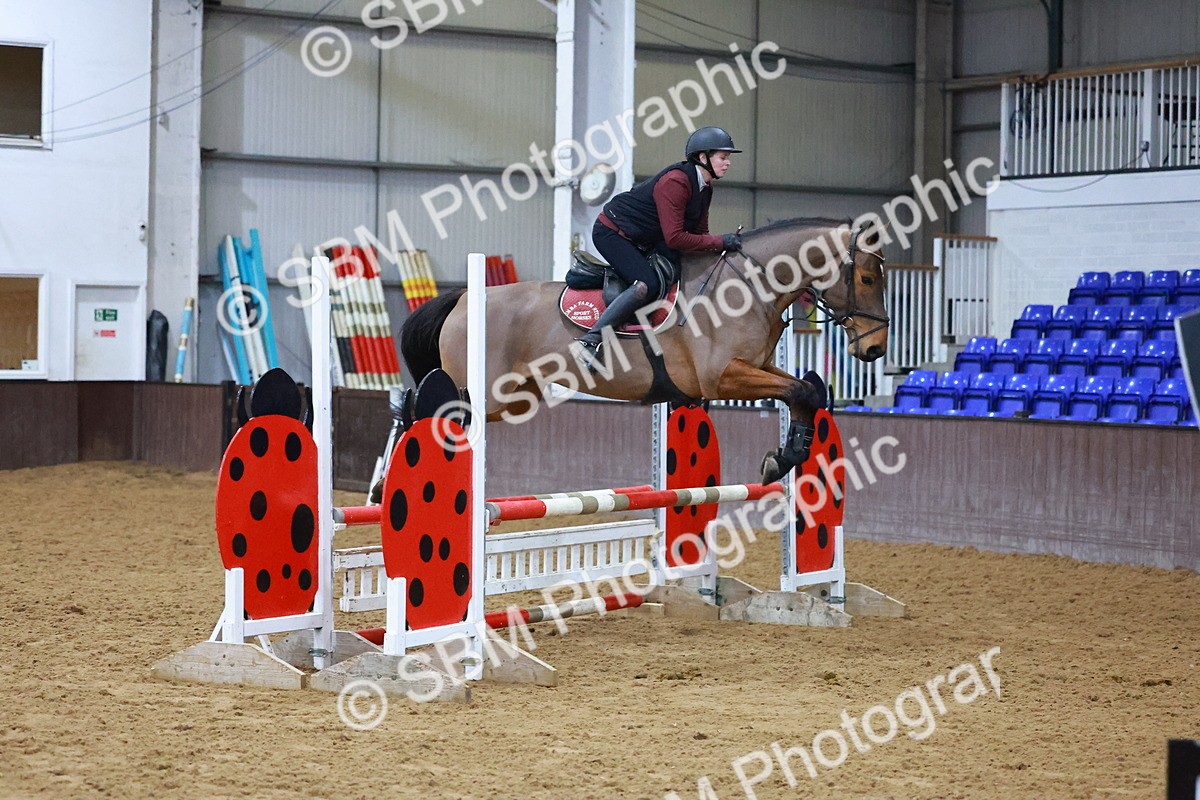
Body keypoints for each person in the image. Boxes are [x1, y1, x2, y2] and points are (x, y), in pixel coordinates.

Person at [574, 125, 745, 371]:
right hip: (612, 233)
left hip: (645, 238)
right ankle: (591, 340)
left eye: (727, 158)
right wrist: (721, 241)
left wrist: (719, 248)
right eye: (723, 157)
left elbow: (700, 235)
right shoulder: (675, 182)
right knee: (647, 284)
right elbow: (675, 238)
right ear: (703, 157)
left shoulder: (705, 188)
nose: (728, 163)